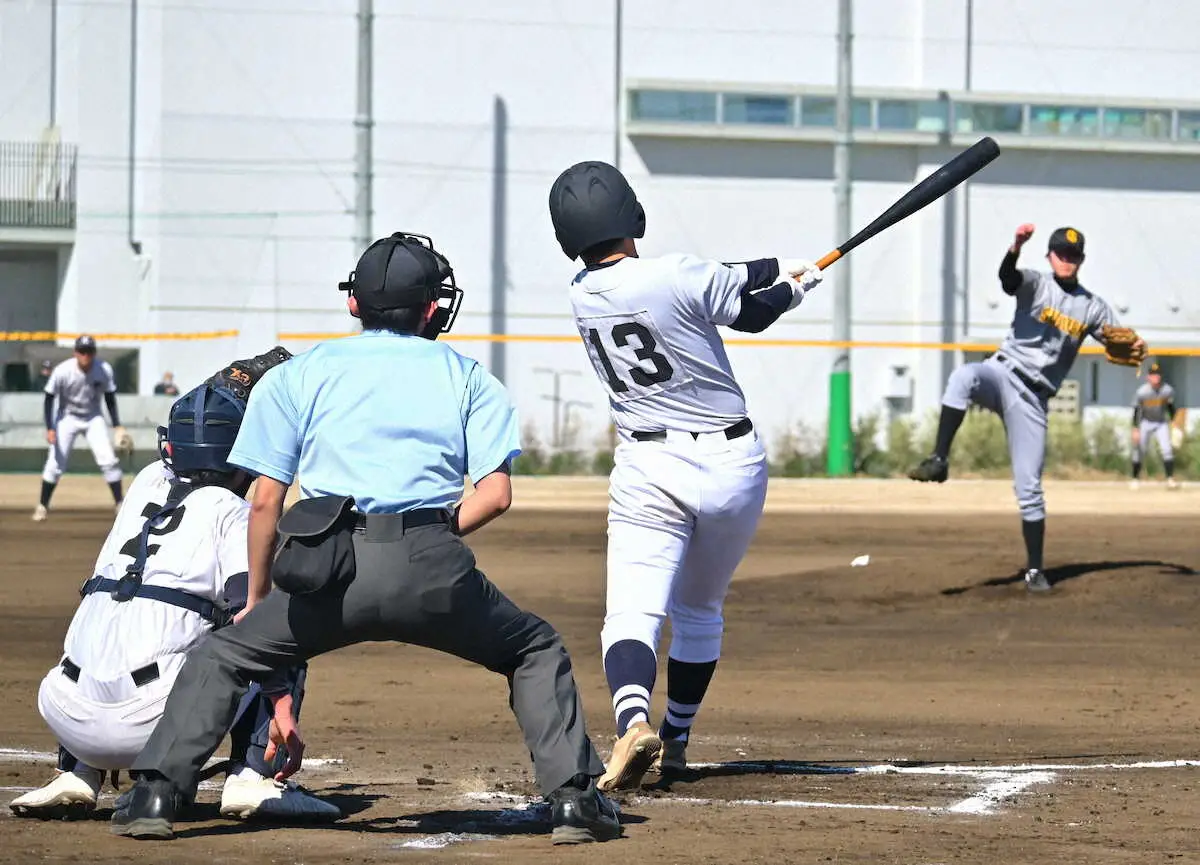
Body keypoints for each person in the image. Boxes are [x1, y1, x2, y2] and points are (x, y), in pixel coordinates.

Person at [111, 232, 621, 845]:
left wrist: (257, 598)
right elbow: (496, 495)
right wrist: (427, 535)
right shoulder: (468, 376)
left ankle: (156, 795)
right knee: (533, 649)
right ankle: (572, 804)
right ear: (432, 308)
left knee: (223, 655)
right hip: (434, 564)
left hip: (326, 569)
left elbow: (266, 500)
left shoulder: (299, 374)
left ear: (355, 304)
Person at [547, 161, 823, 790]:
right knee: (699, 610)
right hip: (733, 465)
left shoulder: (581, 293)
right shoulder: (676, 273)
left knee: (632, 612)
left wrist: (778, 265)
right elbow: (750, 314)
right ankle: (676, 738)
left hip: (648, 465)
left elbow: (714, 278)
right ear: (633, 216)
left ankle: (632, 721)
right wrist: (795, 288)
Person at [11, 348, 338, 824]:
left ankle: (77, 774)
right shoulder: (233, 514)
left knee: (115, 605)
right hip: (147, 725)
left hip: (67, 711)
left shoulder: (144, 484)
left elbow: (200, 412)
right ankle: (253, 777)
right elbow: (254, 616)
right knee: (276, 623)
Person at [909, 225, 1146, 592]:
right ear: (1050, 256)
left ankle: (1035, 570)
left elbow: (1117, 339)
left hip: (1035, 399)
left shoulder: (1093, 306)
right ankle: (939, 459)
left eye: (1073, 255)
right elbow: (1008, 279)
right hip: (1003, 371)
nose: (1066, 260)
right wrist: (1015, 247)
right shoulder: (1037, 283)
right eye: (1060, 254)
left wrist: (1131, 342)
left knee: (1030, 486)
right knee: (963, 378)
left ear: (1081, 260)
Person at [35, 335, 131, 521]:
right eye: (82, 351)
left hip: (93, 417)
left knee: (108, 460)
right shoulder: (63, 371)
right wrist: (50, 428)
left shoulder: (103, 370)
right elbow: (49, 397)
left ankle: (119, 504)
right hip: (67, 417)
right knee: (55, 463)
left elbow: (110, 398)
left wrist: (117, 424)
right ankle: (42, 506)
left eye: (89, 352)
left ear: (94, 353)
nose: (85, 355)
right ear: (75, 352)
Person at [1130, 361, 1180, 490]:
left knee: (1167, 449)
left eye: (1158, 374)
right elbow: (1136, 411)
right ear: (1148, 377)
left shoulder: (1167, 390)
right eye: (1153, 374)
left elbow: (1170, 408)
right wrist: (1135, 428)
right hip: (1145, 422)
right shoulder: (1142, 392)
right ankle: (1135, 479)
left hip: (1160, 422)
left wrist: (1175, 424)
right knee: (1139, 451)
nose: (1156, 377)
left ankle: (1170, 479)